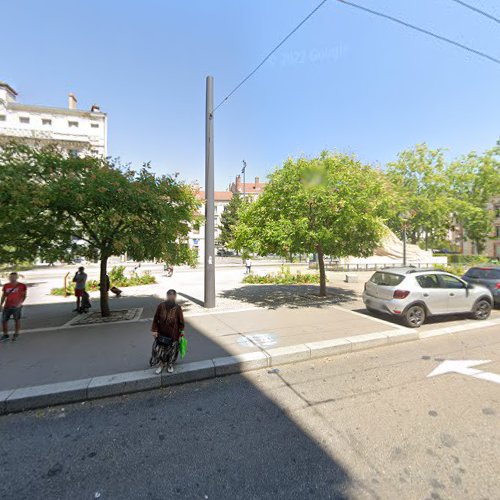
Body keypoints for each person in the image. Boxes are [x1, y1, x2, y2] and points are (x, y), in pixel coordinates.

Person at [150, 289, 185, 374]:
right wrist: (154, 330)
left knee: (172, 350)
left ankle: (170, 364)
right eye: (169, 296)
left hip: (174, 334)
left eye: (172, 297)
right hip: (162, 333)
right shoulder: (161, 306)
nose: (171, 299)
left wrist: (181, 333)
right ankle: (161, 365)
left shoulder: (178, 308)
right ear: (167, 296)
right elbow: (156, 319)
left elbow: (181, 322)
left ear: (175, 297)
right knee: (161, 350)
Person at [1, 272, 27, 341]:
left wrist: (20, 303)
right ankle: (5, 335)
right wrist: (1, 304)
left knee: (17, 320)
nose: (12, 278)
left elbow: (24, 296)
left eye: (14, 277)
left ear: (17, 277)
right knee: (4, 320)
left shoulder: (22, 285)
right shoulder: (6, 285)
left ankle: (16, 333)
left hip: (16, 307)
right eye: (11, 277)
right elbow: (4, 295)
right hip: (7, 306)